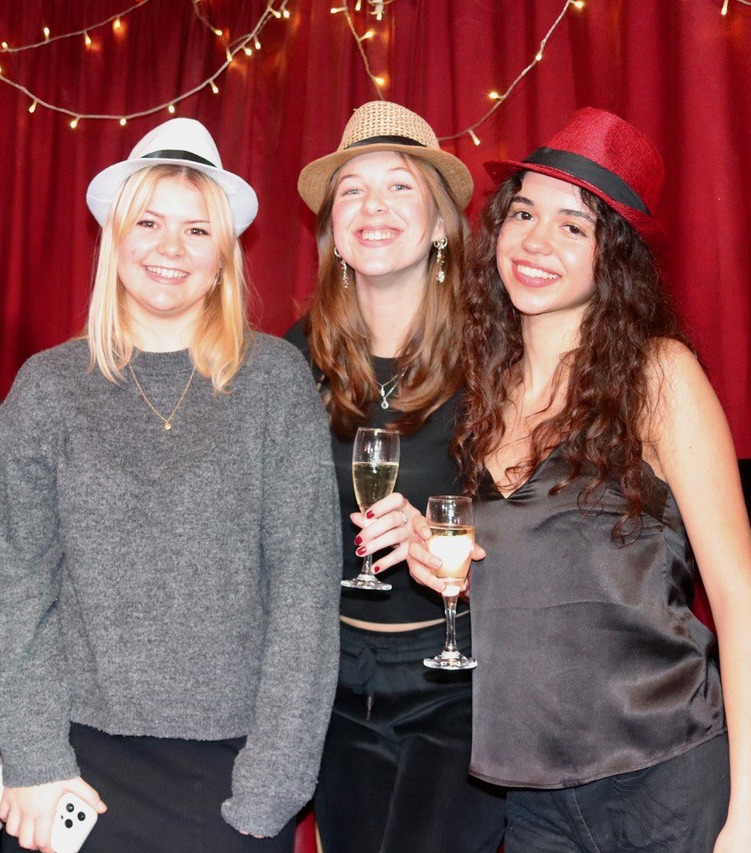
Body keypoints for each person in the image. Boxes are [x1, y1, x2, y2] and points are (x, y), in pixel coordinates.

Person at [405, 108, 751, 851]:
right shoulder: (483, 390)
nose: (536, 241)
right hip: (533, 793)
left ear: (614, 256)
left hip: (666, 775)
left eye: (573, 226)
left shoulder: (658, 376)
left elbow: (739, 602)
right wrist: (444, 565)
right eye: (523, 213)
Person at [0, 117, 341, 853]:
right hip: (75, 766)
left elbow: (305, 588)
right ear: (115, 241)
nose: (169, 248)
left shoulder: (274, 380)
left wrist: (276, 778)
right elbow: (14, 581)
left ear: (223, 259)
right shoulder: (49, 386)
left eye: (197, 230)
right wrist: (32, 756)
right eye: (147, 222)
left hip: (234, 763)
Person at [285, 100, 506, 852]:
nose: (372, 206)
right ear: (332, 232)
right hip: (337, 685)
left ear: (441, 223)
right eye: (351, 190)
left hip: (458, 682)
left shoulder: (496, 356)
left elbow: (548, 522)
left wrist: (455, 540)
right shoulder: (291, 359)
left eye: (399, 186)